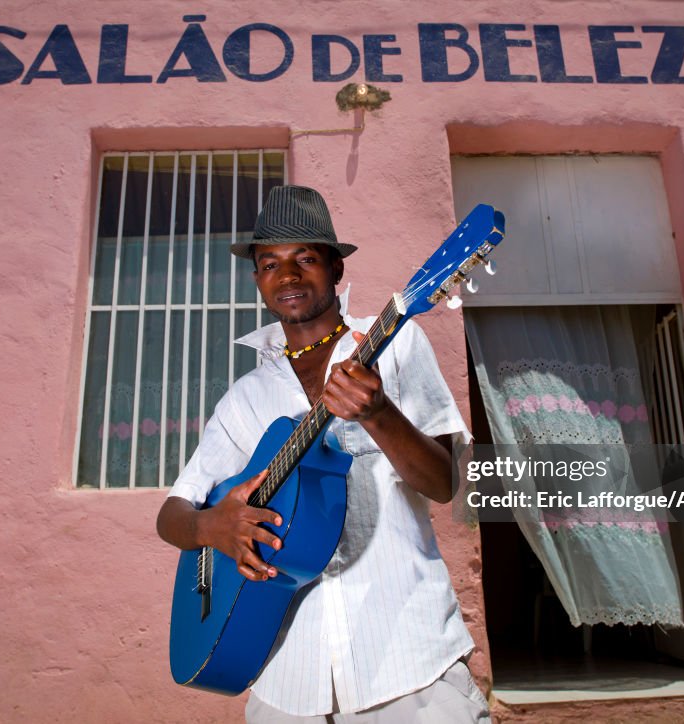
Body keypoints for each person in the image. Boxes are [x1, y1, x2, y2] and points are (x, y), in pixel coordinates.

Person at [157, 185, 490, 723]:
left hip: (410, 664)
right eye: (270, 264)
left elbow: (445, 482)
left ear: (336, 269)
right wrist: (212, 528)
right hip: (285, 677)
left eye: (305, 259)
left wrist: (380, 414)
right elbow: (173, 513)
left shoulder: (395, 347)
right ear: (258, 279)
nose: (287, 276)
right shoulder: (246, 397)